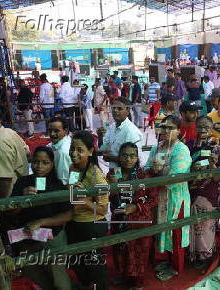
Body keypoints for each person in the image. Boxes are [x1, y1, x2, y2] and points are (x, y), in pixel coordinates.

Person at [9, 146, 73, 290]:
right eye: (36, 162)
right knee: (33, 273)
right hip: (27, 239)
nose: (39, 166)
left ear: (52, 164)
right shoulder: (22, 183)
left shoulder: (58, 186)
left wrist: (41, 222)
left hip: (52, 239)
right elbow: (11, 211)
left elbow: (68, 214)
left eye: (45, 162)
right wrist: (22, 199)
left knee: (59, 279)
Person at [144, 115, 192, 281]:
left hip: (176, 197)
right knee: (161, 230)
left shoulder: (181, 150)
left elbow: (176, 175)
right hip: (158, 197)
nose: (164, 130)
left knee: (176, 232)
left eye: (169, 128)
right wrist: (152, 171)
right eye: (163, 127)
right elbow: (147, 167)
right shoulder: (156, 147)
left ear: (179, 131)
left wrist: (157, 172)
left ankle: (177, 267)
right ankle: (164, 260)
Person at [107, 142, 158, 289]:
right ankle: (124, 277)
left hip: (139, 221)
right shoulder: (113, 174)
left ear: (137, 158)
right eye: (124, 155)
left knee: (138, 254)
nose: (128, 159)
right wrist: (112, 187)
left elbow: (154, 199)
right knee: (121, 250)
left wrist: (136, 206)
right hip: (119, 220)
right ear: (119, 157)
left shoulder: (144, 175)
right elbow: (108, 198)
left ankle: (138, 284)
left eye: (132, 156)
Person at [67, 131, 109, 290]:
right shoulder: (73, 168)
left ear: (91, 151)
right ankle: (86, 284)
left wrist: (85, 202)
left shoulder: (96, 177)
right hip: (75, 222)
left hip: (91, 224)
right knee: (76, 260)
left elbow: (103, 210)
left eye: (79, 150)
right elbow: (71, 190)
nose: (74, 153)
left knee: (95, 264)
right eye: (72, 148)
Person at [186, 115, 220, 269]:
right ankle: (192, 252)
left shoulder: (215, 146)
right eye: (200, 127)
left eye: (206, 128)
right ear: (195, 127)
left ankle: (205, 254)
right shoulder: (189, 145)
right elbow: (185, 165)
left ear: (211, 129)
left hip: (209, 188)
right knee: (190, 220)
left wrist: (212, 165)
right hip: (190, 186)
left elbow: (219, 175)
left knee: (204, 219)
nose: (203, 130)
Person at [100, 98, 143, 169]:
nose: (115, 110)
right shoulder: (112, 126)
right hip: (114, 172)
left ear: (128, 111)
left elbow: (136, 160)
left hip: (126, 175)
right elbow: (103, 147)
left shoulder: (132, 132)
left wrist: (112, 158)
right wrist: (100, 136)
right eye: (113, 108)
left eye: (119, 108)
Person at [47, 117, 72, 185]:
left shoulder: (62, 152)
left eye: (56, 131)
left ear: (65, 131)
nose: (52, 134)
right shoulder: (60, 142)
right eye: (50, 130)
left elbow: (62, 180)